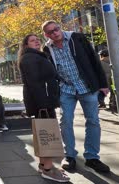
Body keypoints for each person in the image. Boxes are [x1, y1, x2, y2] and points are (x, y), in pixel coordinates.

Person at [42, 21, 110, 173]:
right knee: (65, 121)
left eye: (56, 29)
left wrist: (103, 84)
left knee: (93, 121)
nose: (55, 33)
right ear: (46, 35)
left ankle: (92, 158)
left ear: (60, 27)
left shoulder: (76, 38)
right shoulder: (47, 48)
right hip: (66, 89)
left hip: (87, 87)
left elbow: (94, 60)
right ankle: (69, 156)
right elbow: (50, 71)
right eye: (51, 32)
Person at [18, 34, 70, 182]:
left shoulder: (35, 56)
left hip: (43, 102)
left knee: (42, 134)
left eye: (37, 40)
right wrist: (44, 104)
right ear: (26, 45)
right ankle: (48, 169)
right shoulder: (30, 58)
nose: (37, 42)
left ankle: (43, 164)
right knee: (47, 135)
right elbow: (35, 84)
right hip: (42, 102)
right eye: (32, 40)